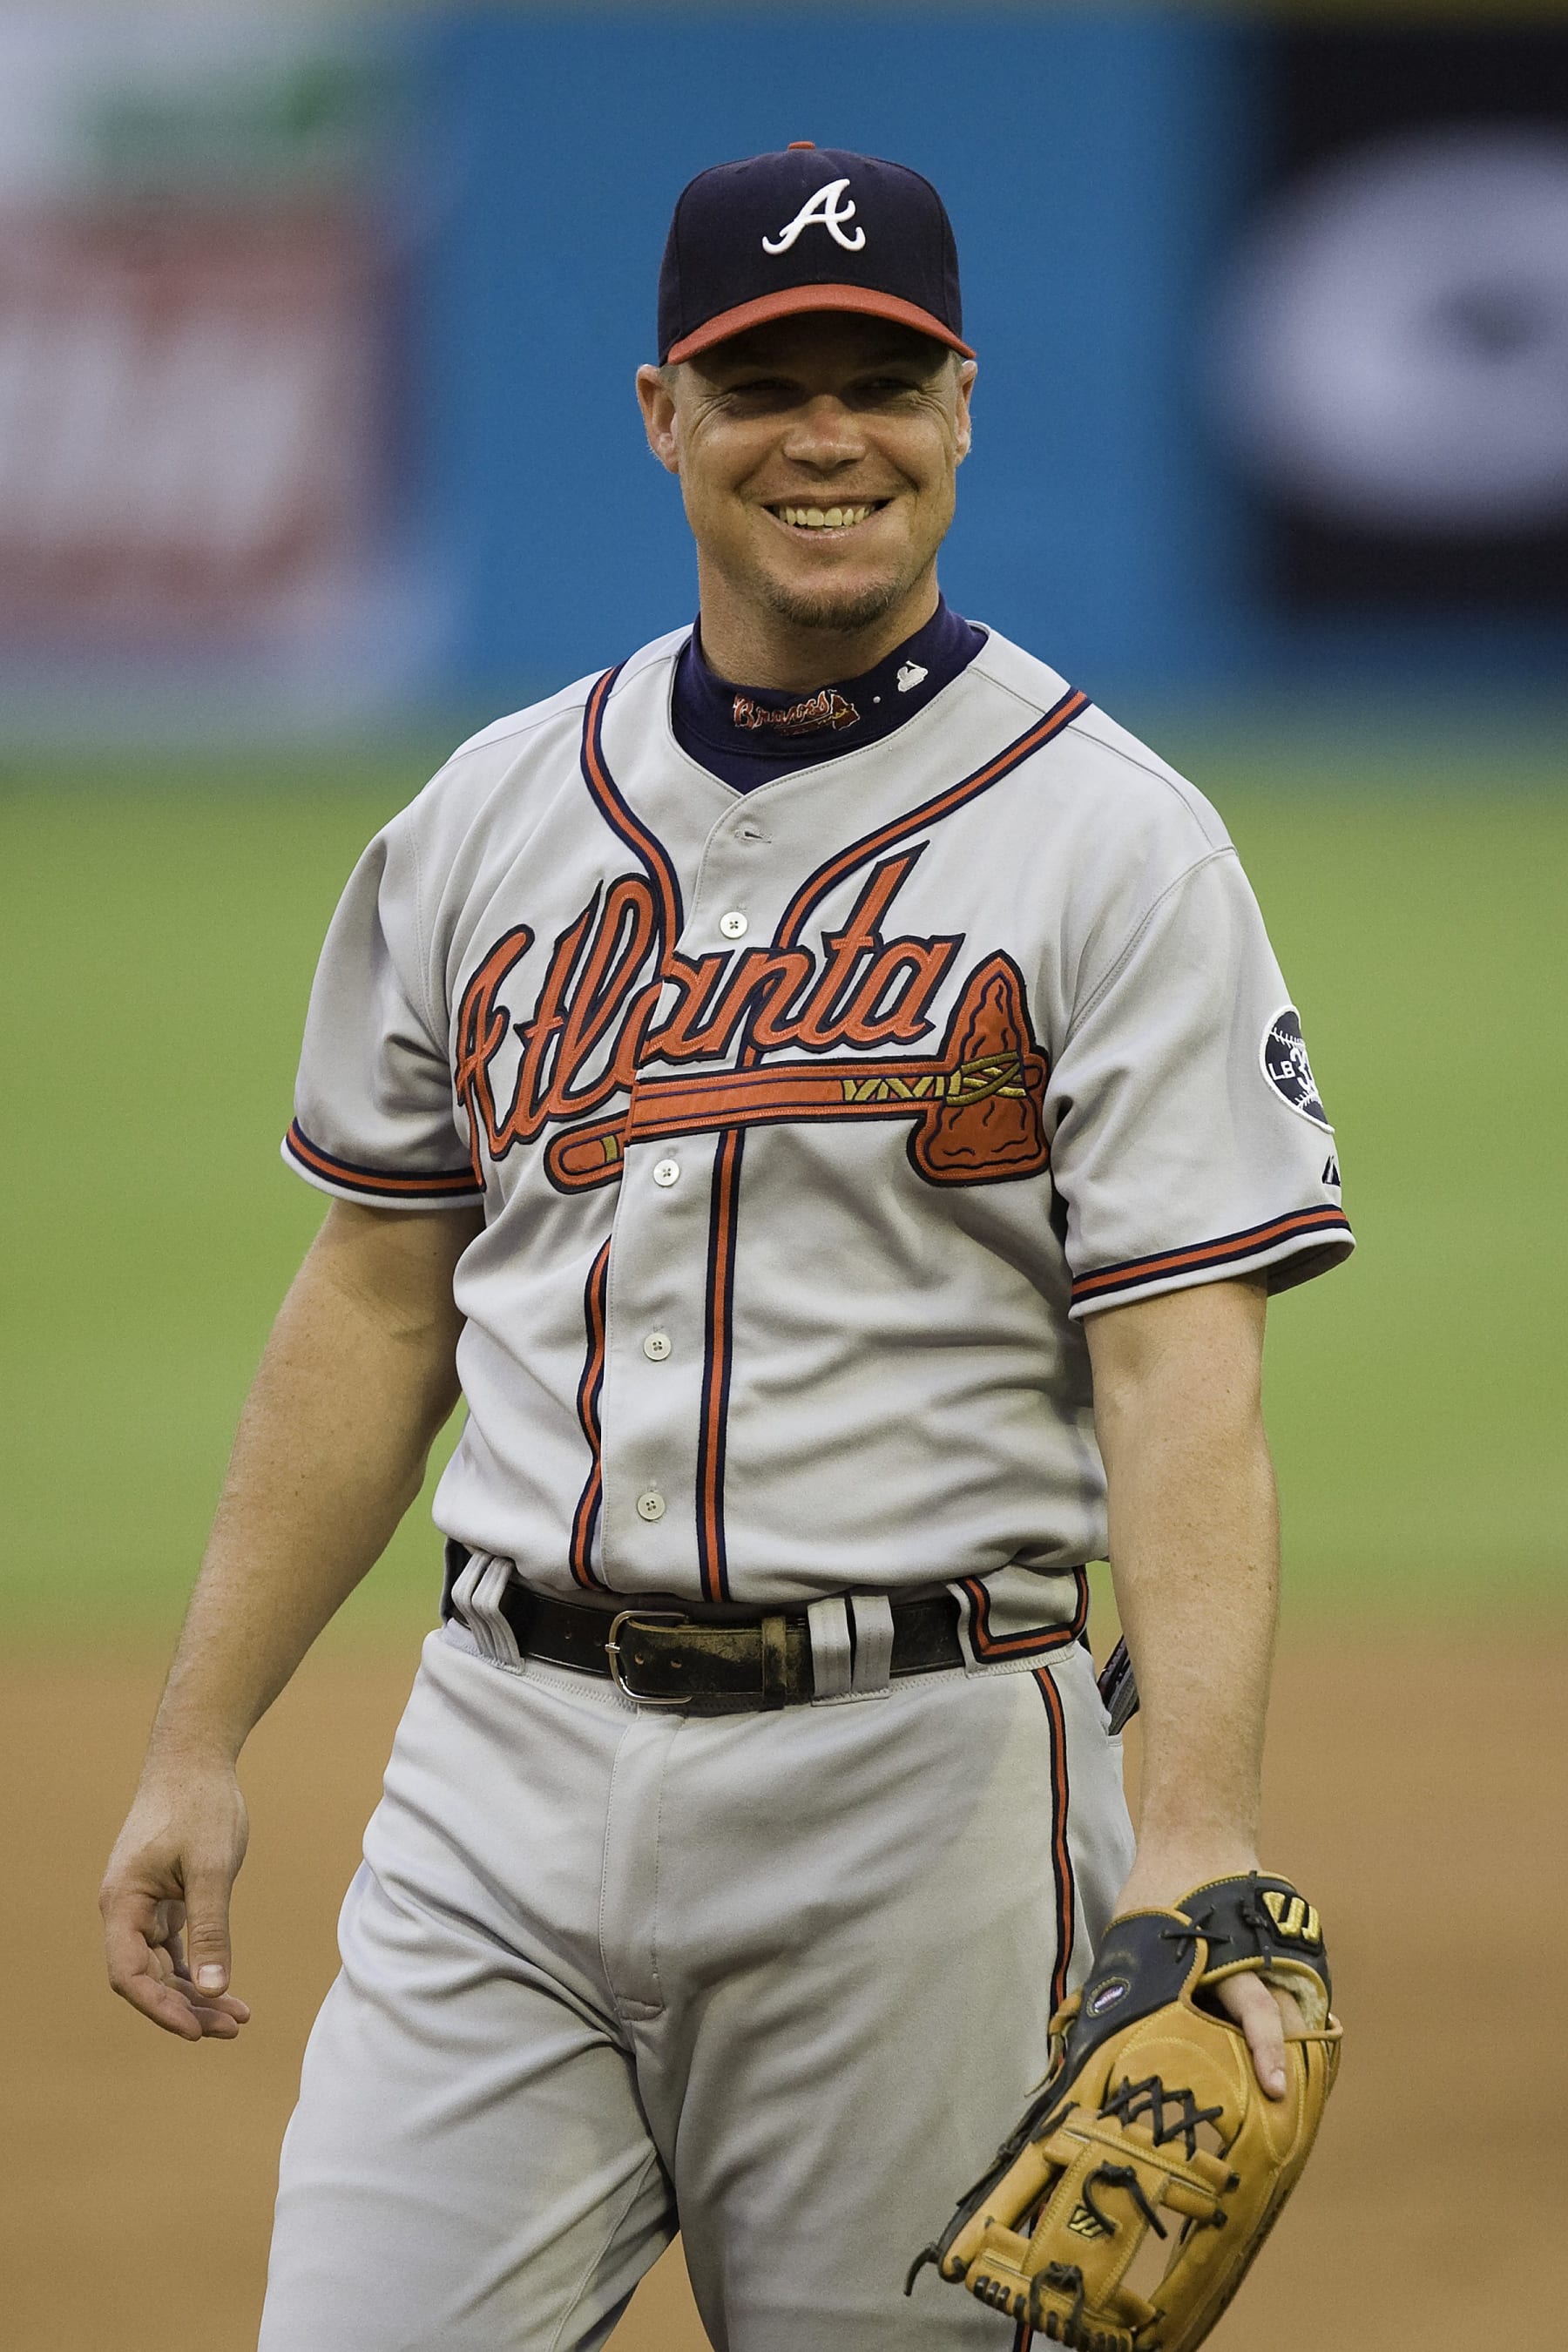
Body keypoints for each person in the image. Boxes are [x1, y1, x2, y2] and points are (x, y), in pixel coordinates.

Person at [100, 145, 1352, 2351]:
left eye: (882, 379)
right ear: (663, 414)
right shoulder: (488, 813)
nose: (828, 439)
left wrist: (1197, 1831)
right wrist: (201, 1739)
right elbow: (375, 1294)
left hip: (926, 1792)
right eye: (766, 383)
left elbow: (1183, 1364)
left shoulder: (1114, 841)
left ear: (963, 406)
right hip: (495, 1759)